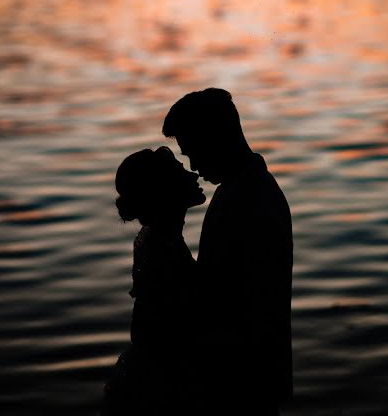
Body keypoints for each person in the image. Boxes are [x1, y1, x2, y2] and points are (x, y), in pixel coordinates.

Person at [163, 88, 293, 414]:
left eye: (193, 151)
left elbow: (234, 299)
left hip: (243, 377)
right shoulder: (243, 189)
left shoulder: (249, 199)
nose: (192, 164)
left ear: (216, 138)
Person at [102, 146, 206, 416]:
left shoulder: (159, 238)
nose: (192, 173)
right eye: (179, 171)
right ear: (164, 191)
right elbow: (150, 329)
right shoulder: (161, 247)